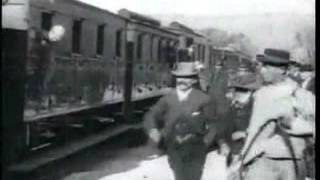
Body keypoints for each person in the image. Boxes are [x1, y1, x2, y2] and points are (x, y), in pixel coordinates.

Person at [234, 49, 315, 180]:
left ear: (281, 69)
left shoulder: (264, 95)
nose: (262, 70)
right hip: (296, 163)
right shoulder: (302, 94)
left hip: (267, 163)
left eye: (267, 66)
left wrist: (241, 161)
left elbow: (256, 133)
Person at [143, 62, 211, 180]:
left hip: (195, 147)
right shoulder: (167, 99)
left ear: (194, 80)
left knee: (193, 175)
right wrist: (153, 130)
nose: (181, 81)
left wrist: (206, 141)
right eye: (179, 77)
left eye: (187, 78)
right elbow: (151, 115)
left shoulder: (204, 99)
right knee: (178, 174)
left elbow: (214, 122)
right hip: (173, 146)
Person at [225, 73, 262, 162]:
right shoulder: (232, 105)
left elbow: (262, 127)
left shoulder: (256, 106)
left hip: (250, 151)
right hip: (233, 150)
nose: (237, 93)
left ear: (251, 92)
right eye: (236, 89)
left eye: (242, 90)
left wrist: (244, 134)